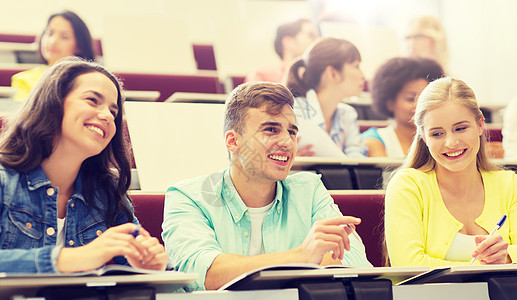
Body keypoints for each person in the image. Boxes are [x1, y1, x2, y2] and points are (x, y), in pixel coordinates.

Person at [162, 82, 371, 291]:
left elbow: (354, 263)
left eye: (291, 132)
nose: (288, 142)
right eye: (271, 129)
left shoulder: (310, 188)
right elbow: (203, 274)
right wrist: (302, 257)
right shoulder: (186, 197)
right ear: (233, 141)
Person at [0, 57, 168, 273]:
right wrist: (74, 258)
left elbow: (149, 273)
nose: (107, 116)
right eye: (92, 100)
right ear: (52, 105)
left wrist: (152, 266)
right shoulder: (4, 179)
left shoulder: (108, 190)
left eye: (113, 111)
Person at [385, 77, 516, 267]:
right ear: (423, 135)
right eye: (437, 133)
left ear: (480, 124)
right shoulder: (407, 185)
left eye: (461, 128)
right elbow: (407, 265)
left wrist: (506, 257)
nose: (451, 143)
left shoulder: (509, 184)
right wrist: (487, 266)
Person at [286, 37, 366, 157]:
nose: (363, 76)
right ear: (332, 74)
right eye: (356, 66)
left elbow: (357, 158)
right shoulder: (294, 111)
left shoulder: (347, 114)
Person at [361, 57, 444, 158]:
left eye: (426, 98)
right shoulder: (374, 141)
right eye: (410, 99)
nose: (420, 105)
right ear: (390, 103)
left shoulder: (444, 139)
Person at [11, 10, 96, 100]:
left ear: (79, 46)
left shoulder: (90, 80)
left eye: (64, 37)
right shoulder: (23, 79)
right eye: (49, 33)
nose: (53, 41)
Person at [244, 18, 319, 84]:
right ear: (288, 42)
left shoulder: (318, 79)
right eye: (311, 35)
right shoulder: (261, 76)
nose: (318, 41)